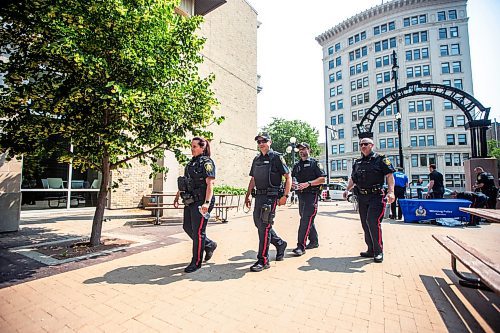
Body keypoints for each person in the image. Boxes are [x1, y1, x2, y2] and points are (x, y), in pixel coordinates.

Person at [344, 138, 395, 263]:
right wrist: (347, 189)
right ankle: (371, 249)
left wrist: (391, 192)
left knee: (372, 221)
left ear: (372, 145)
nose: (363, 146)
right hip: (362, 197)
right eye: (361, 144)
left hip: (376, 196)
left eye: (365, 144)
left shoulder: (380, 159)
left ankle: (378, 251)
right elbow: (353, 178)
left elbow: (389, 176)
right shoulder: (358, 162)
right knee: (365, 223)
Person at [244, 132, 289, 272]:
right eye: (259, 141)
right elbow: (253, 179)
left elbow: (288, 177)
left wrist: (285, 196)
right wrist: (248, 195)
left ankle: (263, 260)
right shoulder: (256, 159)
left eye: (264, 140)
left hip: (271, 197)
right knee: (260, 224)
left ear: (270, 142)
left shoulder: (276, 157)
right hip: (259, 197)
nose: (261, 143)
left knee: (264, 227)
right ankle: (280, 244)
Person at [174, 137, 218, 273]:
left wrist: (207, 203)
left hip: (202, 201)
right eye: (191, 146)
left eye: (194, 146)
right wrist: (177, 196)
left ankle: (196, 262)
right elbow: (185, 182)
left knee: (199, 232)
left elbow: (210, 184)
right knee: (187, 227)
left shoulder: (207, 162)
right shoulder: (191, 163)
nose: (192, 149)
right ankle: (209, 245)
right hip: (190, 201)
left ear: (202, 147)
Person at [290, 142, 326, 256]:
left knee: (305, 219)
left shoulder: (315, 163)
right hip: (301, 195)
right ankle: (314, 241)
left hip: (312, 195)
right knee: (306, 218)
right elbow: (292, 177)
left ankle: (301, 246)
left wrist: (308, 183)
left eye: (303, 148)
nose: (301, 151)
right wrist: (293, 183)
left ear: (308, 149)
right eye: (299, 149)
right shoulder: (297, 165)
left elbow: (322, 179)